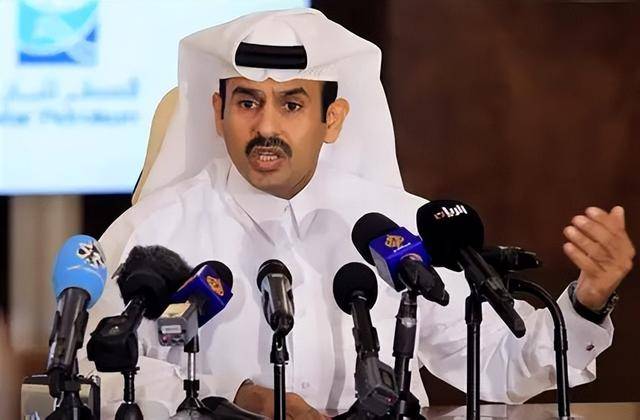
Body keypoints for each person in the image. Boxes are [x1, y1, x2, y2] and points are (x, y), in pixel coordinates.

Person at [79, 8, 635, 419]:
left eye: (292, 104)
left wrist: (588, 301)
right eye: (247, 102)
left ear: (333, 119)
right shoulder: (151, 233)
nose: (266, 127)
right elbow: (89, 371)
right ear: (218, 111)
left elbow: (498, 361)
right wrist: (228, 398)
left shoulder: (396, 228)